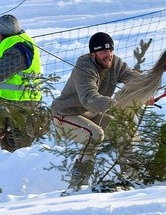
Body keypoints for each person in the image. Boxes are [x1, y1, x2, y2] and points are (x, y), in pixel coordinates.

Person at [51, 32, 145, 191]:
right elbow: (89, 97)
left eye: (110, 50)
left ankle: (132, 177)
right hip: (66, 115)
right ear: (93, 53)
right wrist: (115, 104)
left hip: (91, 114)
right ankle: (78, 184)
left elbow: (133, 79)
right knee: (95, 134)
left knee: (123, 129)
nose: (108, 55)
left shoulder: (115, 63)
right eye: (102, 51)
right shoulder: (85, 67)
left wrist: (146, 91)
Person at [0, 14, 45, 152]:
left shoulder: (17, 49)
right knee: (7, 148)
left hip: (22, 106)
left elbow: (1, 72)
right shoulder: (13, 43)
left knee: (18, 149)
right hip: (9, 102)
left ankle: (19, 171)